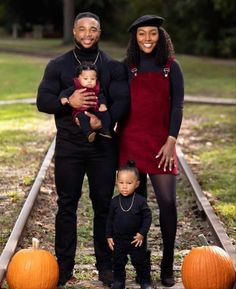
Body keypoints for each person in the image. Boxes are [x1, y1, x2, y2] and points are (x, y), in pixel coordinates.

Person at [37, 11, 129, 287]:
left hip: (102, 147)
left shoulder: (113, 67)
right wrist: (68, 100)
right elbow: (43, 100)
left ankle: (106, 266)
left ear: (99, 33)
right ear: (74, 33)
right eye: (82, 29)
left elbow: (123, 103)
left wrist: (106, 119)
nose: (87, 34)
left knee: (103, 207)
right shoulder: (58, 65)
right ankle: (64, 267)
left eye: (93, 29)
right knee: (67, 206)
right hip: (69, 148)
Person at [117, 15, 184, 287]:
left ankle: (167, 263)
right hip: (130, 142)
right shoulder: (126, 67)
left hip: (161, 145)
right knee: (134, 206)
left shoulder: (171, 67)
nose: (147, 39)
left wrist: (172, 139)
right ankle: (141, 264)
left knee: (167, 202)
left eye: (153, 34)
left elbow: (177, 105)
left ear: (160, 36)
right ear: (135, 37)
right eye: (142, 34)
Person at [106, 160, 152, 289]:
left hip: (135, 240)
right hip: (118, 239)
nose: (124, 186)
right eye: (121, 183)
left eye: (129, 183)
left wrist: (142, 234)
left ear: (137, 184)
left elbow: (147, 218)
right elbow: (109, 219)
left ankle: (144, 281)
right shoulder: (115, 202)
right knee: (118, 262)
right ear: (116, 183)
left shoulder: (140, 201)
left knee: (140, 261)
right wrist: (109, 236)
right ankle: (119, 281)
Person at [60, 61, 112, 143]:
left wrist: (103, 104)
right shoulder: (76, 87)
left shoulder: (97, 88)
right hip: (80, 110)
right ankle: (88, 133)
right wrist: (64, 98)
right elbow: (65, 92)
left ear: (96, 79)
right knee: (82, 118)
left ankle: (105, 130)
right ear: (78, 78)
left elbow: (101, 96)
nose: (89, 81)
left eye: (92, 79)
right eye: (86, 79)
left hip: (95, 108)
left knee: (105, 113)